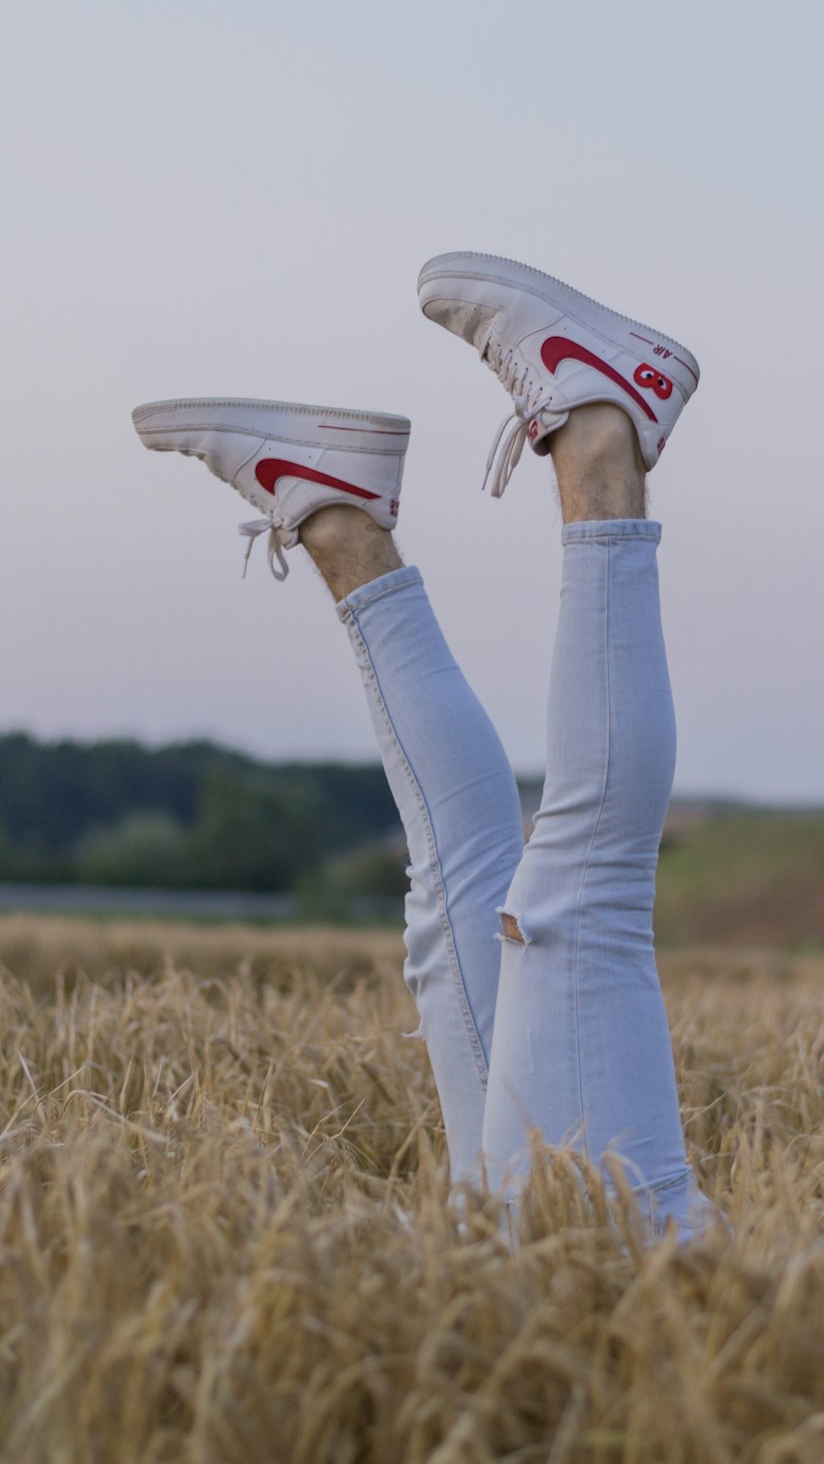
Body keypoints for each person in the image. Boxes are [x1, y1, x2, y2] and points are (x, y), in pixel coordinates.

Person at [133, 251, 716, 1241]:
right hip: (631, 1259)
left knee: (455, 903)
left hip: (524, 1270)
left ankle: (340, 522)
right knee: (577, 896)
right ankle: (602, 435)